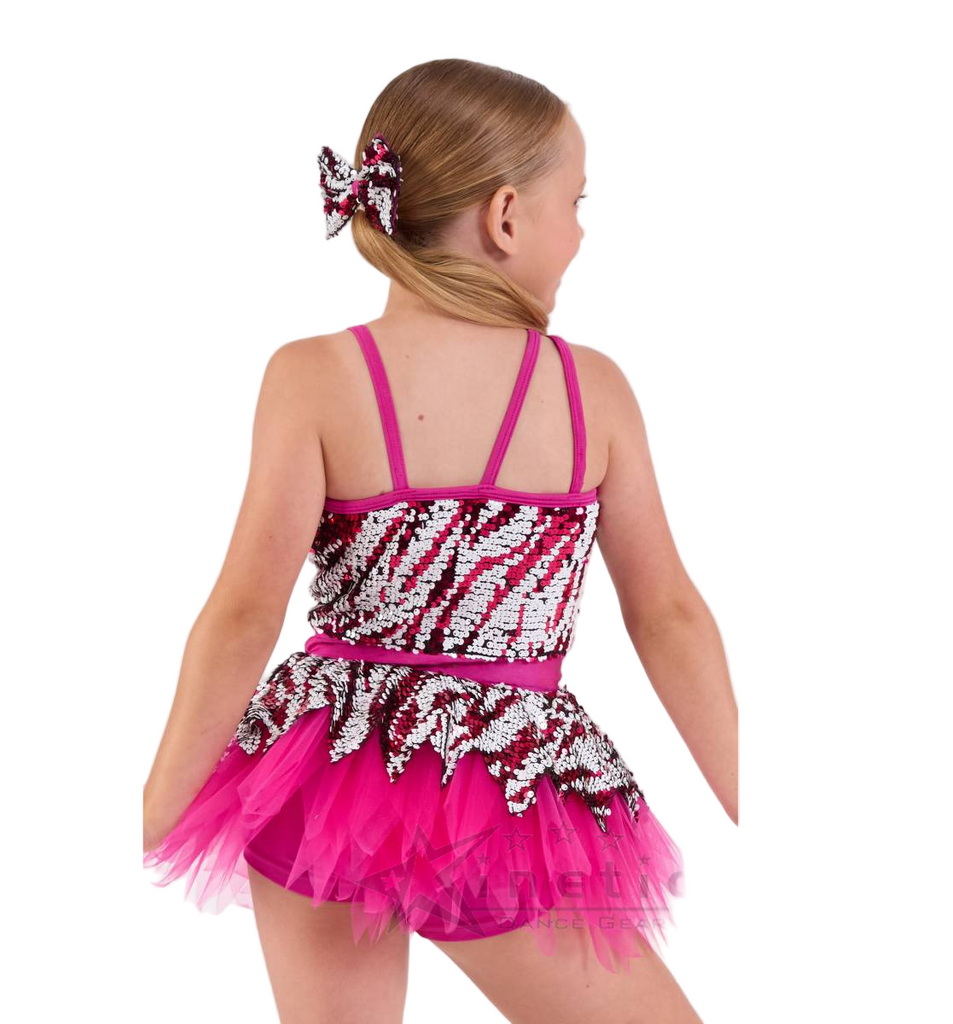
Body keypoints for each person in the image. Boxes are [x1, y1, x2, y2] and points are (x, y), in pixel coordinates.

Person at [143, 58, 738, 1024]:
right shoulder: (589, 391)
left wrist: (161, 801)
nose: (581, 233)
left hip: (326, 762)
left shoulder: (312, 375)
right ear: (505, 217)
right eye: (576, 203)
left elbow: (244, 613)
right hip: (499, 783)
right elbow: (666, 612)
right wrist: (748, 786)